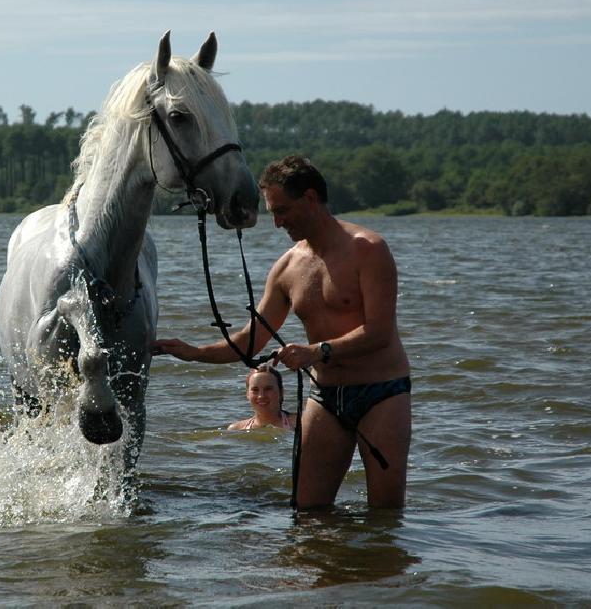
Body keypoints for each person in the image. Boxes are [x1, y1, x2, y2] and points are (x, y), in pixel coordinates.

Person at [153, 155, 411, 509]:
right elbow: (250, 341)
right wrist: (192, 352)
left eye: (282, 211)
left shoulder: (368, 249)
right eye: (272, 212)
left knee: (385, 516)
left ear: (310, 198)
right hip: (325, 396)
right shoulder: (287, 267)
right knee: (307, 514)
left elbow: (380, 333)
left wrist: (316, 351)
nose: (276, 223)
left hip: (382, 393)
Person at [228, 365, 296, 430]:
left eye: (268, 389)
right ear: (247, 394)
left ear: (281, 392)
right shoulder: (237, 429)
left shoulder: (299, 423)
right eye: (255, 390)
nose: (261, 396)